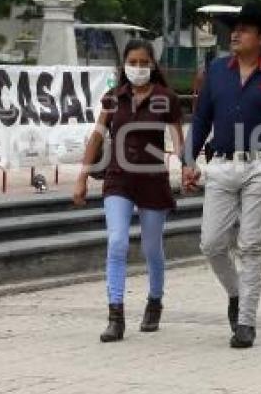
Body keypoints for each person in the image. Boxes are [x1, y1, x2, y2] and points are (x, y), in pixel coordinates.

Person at [181, 3, 261, 349]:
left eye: (245, 29)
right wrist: (188, 161)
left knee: (251, 245)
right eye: (234, 29)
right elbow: (201, 119)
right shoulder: (217, 70)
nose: (235, 34)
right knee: (211, 243)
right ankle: (236, 294)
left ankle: (246, 322)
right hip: (220, 165)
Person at [75, 39, 185, 343]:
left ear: (153, 65)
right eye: (132, 62)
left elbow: (178, 142)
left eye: (143, 62)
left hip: (152, 180)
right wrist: (82, 177)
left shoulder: (167, 98)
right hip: (118, 180)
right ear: (124, 65)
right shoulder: (113, 98)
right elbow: (96, 139)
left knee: (152, 248)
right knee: (117, 243)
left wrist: (187, 166)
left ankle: (154, 301)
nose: (138, 68)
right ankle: (115, 315)